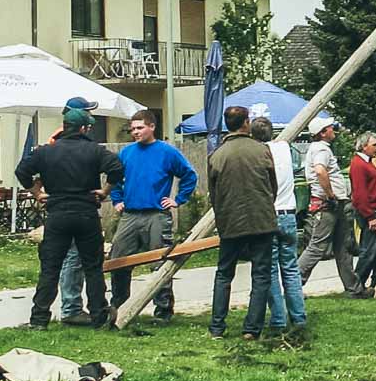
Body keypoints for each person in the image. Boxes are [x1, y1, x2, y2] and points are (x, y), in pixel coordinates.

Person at [17, 99, 123, 329]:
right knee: (93, 267)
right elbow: (117, 169)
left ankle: (39, 320)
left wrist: (37, 193)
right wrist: (104, 191)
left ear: (64, 126)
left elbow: (21, 171)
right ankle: (98, 316)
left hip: (57, 214)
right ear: (84, 128)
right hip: (86, 213)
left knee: (50, 268)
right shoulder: (95, 150)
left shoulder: (46, 152)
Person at [106, 108, 195, 323]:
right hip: (130, 215)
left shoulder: (167, 152)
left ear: (151, 127)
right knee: (118, 260)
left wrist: (178, 199)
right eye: (133, 129)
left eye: (140, 128)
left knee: (160, 262)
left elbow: (189, 175)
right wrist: (117, 199)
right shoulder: (127, 153)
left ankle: (163, 311)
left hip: (157, 214)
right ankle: (120, 307)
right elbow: (115, 178)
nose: (135, 132)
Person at [206, 105, 277, 338]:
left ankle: (217, 326)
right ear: (246, 123)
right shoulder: (262, 150)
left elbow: (214, 194)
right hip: (261, 221)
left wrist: (223, 215)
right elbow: (272, 187)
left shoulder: (216, 155)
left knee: (224, 274)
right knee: (261, 274)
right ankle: (251, 328)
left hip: (230, 222)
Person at [251, 115, 307, 338]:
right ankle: (299, 316)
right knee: (291, 267)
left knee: (271, 269)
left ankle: (278, 318)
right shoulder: (286, 149)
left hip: (268, 215)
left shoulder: (257, 155)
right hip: (289, 213)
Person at [297, 114, 358, 291]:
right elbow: (320, 171)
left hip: (333, 204)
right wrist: (330, 194)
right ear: (323, 132)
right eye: (330, 128)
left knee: (343, 246)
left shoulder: (319, 148)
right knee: (317, 247)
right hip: (328, 205)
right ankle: (294, 285)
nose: (334, 130)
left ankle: (354, 287)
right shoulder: (321, 150)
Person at [347, 131, 376, 296]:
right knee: (368, 250)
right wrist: (370, 216)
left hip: (374, 210)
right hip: (369, 212)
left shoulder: (366, 163)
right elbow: (360, 194)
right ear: (364, 146)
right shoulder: (359, 165)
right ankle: (357, 285)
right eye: (374, 145)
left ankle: (375, 283)